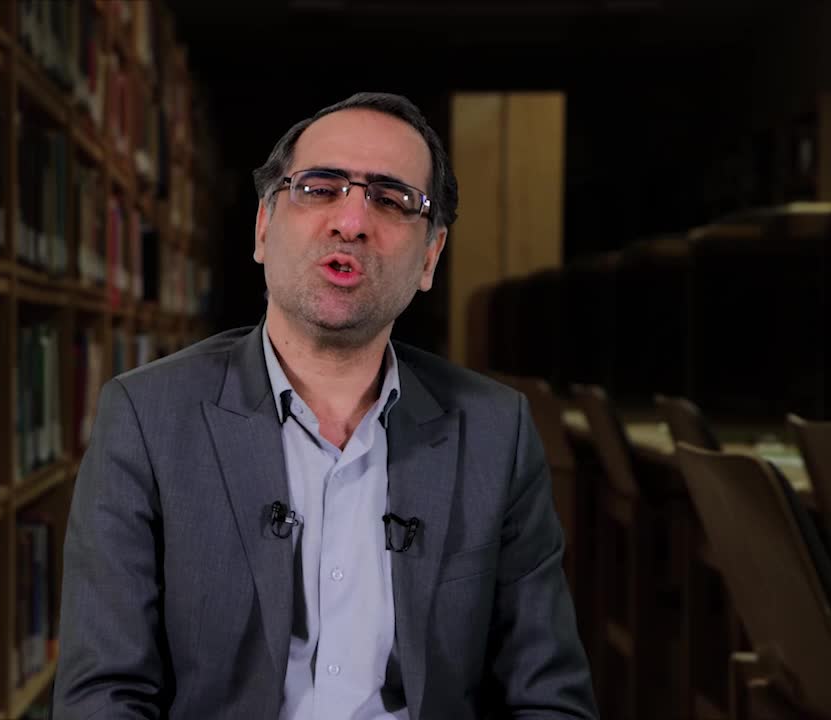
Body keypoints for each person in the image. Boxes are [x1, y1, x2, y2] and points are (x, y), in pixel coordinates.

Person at [53, 92, 598, 719]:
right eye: (319, 188)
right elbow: (102, 696)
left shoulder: (497, 434)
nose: (352, 221)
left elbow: (549, 698)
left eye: (392, 200)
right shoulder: (146, 418)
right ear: (263, 227)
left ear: (430, 256)